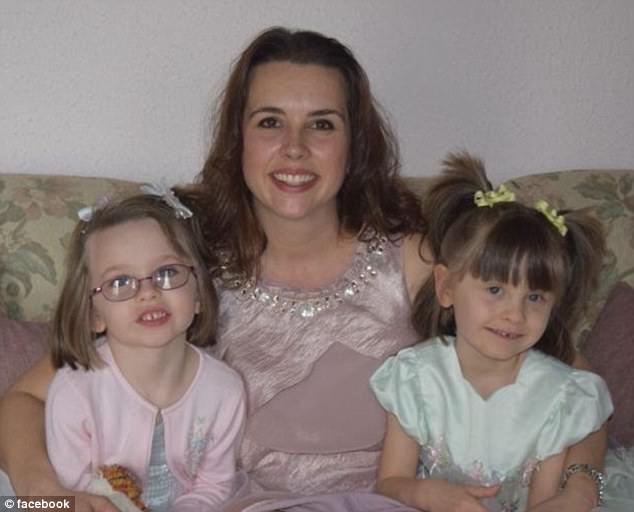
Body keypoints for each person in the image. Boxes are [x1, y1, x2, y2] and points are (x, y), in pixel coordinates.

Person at [0, 27, 608, 512]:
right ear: (238, 139)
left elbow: (568, 380)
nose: (294, 147)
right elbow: (27, 397)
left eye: (321, 124)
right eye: (270, 122)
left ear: (355, 143)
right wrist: (44, 495)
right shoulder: (182, 267)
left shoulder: (416, 261)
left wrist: (581, 487)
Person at [370, 152, 614, 512]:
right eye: (495, 290)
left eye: (534, 297)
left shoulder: (559, 396)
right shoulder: (415, 377)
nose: (515, 315)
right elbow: (390, 484)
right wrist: (430, 495)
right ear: (445, 286)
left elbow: (545, 503)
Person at [47, 188, 246, 511]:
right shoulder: (74, 391)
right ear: (93, 314)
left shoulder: (225, 389)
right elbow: (73, 491)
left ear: (198, 293)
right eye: (119, 282)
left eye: (167, 273)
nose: (148, 292)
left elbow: (214, 486)